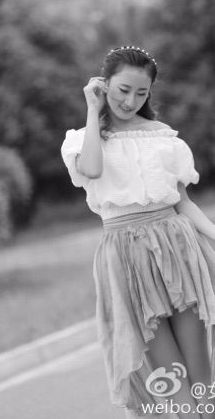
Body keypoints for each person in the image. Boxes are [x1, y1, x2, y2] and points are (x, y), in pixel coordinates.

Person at [61, 45, 215, 419]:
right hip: (126, 261)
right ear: (103, 85)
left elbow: (183, 202)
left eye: (141, 93)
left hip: (178, 251)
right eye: (123, 90)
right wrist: (93, 110)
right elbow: (92, 170)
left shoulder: (163, 138)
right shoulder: (82, 140)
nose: (130, 101)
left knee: (201, 378)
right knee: (170, 379)